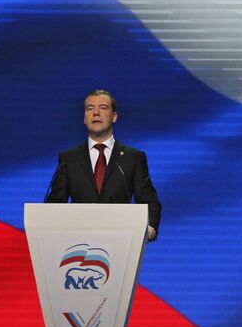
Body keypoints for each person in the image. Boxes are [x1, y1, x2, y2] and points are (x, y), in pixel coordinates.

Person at [46, 89, 161, 241]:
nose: (96, 113)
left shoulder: (133, 158)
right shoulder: (68, 158)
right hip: (77, 245)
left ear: (114, 116)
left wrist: (150, 228)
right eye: (90, 108)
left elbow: (149, 201)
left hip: (121, 241)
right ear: (84, 119)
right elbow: (55, 204)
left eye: (103, 107)